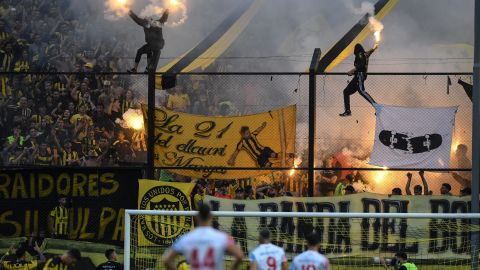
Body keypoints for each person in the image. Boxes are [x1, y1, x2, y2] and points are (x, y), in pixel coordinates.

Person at [163, 204, 244, 270]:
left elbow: (167, 260)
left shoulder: (185, 238)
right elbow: (240, 256)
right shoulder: (223, 237)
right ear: (211, 216)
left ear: (197, 217)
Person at [339, 43, 378, 117]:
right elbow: (369, 53)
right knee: (346, 91)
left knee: (361, 91)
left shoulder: (359, 54)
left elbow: (362, 65)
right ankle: (348, 111)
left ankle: (377, 107)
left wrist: (352, 70)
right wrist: (374, 48)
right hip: (357, 76)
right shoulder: (365, 54)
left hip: (359, 75)